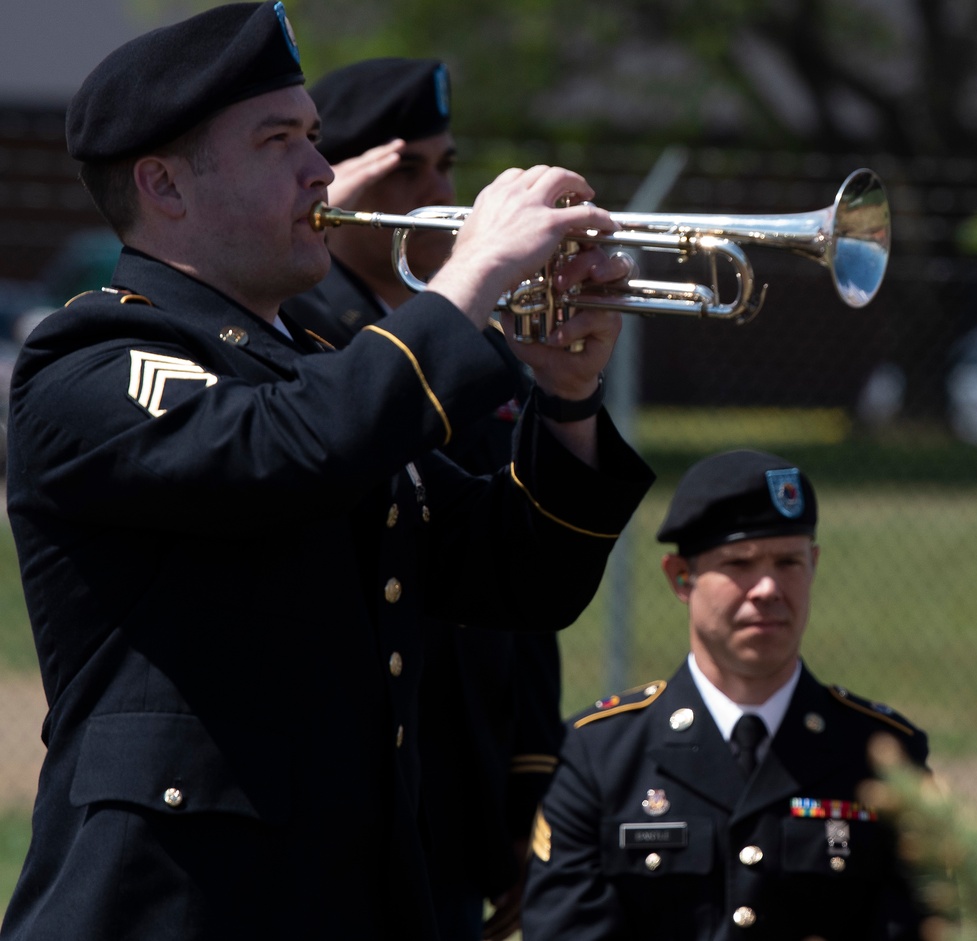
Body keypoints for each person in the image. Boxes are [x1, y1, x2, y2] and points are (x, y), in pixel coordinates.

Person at [0, 5, 656, 940]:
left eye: (314, 135)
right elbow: (286, 448)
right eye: (280, 142)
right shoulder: (93, 356)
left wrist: (568, 395)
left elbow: (518, 574)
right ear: (163, 185)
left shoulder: (323, 362)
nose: (320, 169)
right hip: (169, 906)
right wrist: (466, 284)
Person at [282, 57, 562, 941]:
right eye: (409, 169)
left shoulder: (471, 340)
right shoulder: (303, 328)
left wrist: (529, 784)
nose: (444, 192)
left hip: (459, 780)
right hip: (347, 779)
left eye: (446, 164)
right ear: (343, 180)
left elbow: (516, 576)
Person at [521, 449, 936, 940]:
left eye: (788, 562)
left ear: (814, 565)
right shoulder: (598, 757)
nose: (767, 588)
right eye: (739, 563)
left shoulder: (883, 756)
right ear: (681, 577)